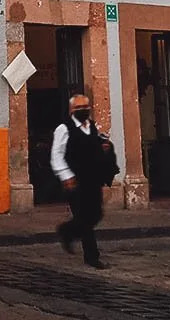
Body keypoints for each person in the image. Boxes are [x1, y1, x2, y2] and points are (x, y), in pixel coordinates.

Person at [51, 94, 117, 269]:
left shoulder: (92, 127)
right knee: (84, 217)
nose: (83, 111)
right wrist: (66, 176)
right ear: (72, 110)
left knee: (96, 214)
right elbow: (56, 155)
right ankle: (92, 257)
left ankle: (67, 231)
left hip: (93, 179)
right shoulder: (64, 129)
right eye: (79, 108)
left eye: (85, 107)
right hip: (75, 180)